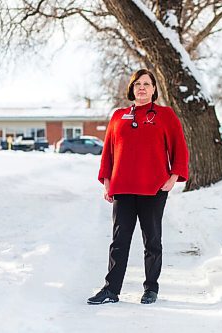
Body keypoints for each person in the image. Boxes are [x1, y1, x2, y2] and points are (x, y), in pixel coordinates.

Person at [87, 69, 189, 305]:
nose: (142, 88)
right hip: (123, 188)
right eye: (137, 84)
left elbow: (180, 149)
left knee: (152, 240)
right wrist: (107, 183)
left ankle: (150, 288)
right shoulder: (118, 116)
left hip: (154, 189)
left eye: (147, 84)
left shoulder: (165, 115)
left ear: (154, 89)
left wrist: (173, 178)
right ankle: (111, 290)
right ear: (132, 89)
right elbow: (108, 153)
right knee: (119, 241)